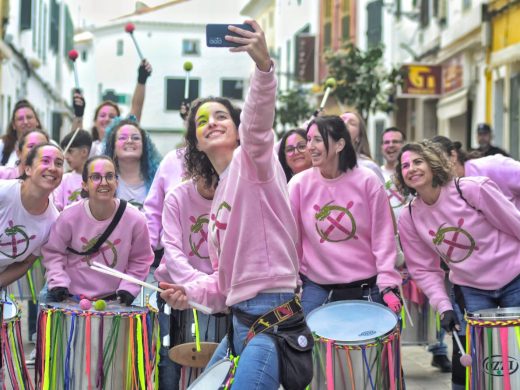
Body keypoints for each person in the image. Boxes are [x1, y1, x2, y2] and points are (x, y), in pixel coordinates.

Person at [159, 21, 311, 390]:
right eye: (201, 121)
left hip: (272, 318)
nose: (211, 123)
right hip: (239, 320)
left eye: (221, 116)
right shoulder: (221, 195)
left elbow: (258, 123)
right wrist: (187, 295)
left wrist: (263, 67)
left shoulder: (252, 162)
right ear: (194, 141)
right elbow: (225, 286)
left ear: (238, 126)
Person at [395, 141, 520, 390]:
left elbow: (515, 224)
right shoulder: (408, 216)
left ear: (433, 164)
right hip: (471, 289)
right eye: (405, 165)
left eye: (418, 161)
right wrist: (443, 307)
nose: (411, 168)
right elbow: (423, 269)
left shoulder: (473, 189)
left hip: (514, 277)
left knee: (517, 349)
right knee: (481, 357)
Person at [288, 115, 402, 316]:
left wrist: (388, 283)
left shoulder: (368, 180)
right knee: (301, 342)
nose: (310, 147)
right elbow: (292, 239)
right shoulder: (298, 184)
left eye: (318, 140)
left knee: (383, 339)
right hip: (317, 284)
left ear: (340, 144)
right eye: (309, 140)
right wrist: (293, 282)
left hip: (369, 283)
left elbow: (383, 237)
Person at [41, 155, 154, 304]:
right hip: (70, 300)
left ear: (117, 182)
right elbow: (54, 253)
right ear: (85, 185)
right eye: (96, 177)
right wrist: (58, 282)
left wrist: (129, 288)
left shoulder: (136, 219)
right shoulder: (68, 217)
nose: (104, 182)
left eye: (109, 176)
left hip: (114, 302)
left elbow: (141, 259)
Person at [154, 176, 229, 389]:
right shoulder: (177, 197)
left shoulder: (234, 196)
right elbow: (172, 252)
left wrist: (209, 288)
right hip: (175, 288)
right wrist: (200, 286)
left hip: (220, 291)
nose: (212, 184)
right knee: (168, 360)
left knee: (224, 362)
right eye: (207, 175)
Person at [84, 60, 152, 156]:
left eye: (112, 116)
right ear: (95, 122)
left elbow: (137, 107)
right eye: (102, 115)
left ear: (119, 123)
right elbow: (74, 142)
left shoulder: (123, 147)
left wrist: (141, 80)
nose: (107, 119)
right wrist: (78, 114)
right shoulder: (88, 148)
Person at [433, 135, 520, 210]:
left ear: (453, 155)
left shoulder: (492, 166)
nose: (435, 168)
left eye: (438, 160)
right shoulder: (444, 189)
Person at [103, 118, 161, 210]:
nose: (130, 141)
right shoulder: (103, 182)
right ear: (113, 147)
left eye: (136, 138)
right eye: (122, 138)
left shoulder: (159, 179)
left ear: (144, 146)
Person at [340, 111, 385, 183]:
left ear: (359, 137)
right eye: (341, 121)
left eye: (352, 123)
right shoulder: (324, 165)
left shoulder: (369, 167)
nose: (345, 124)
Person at [53, 130, 92, 211]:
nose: (66, 156)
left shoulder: (96, 179)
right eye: (65, 152)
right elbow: (56, 207)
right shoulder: (63, 179)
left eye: (70, 151)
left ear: (84, 152)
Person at [0, 100, 42, 167]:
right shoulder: (2, 145)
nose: (25, 122)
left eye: (29, 117)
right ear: (13, 124)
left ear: (37, 121)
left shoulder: (50, 144)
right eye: (20, 119)